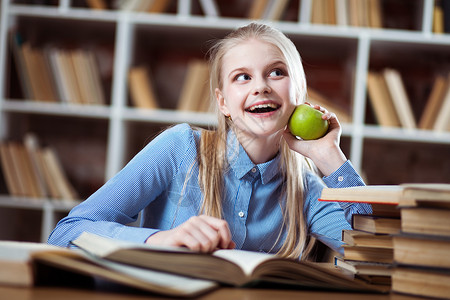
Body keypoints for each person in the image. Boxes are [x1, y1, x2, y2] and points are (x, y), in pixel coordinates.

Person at [48, 22, 371, 260]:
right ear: (223, 102)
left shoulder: (307, 190)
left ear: (298, 94)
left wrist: (329, 156)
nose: (260, 87)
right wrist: (161, 239)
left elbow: (380, 257)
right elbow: (66, 234)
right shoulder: (180, 148)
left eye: (276, 72)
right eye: (242, 77)